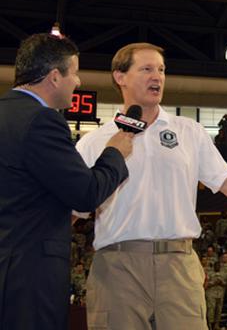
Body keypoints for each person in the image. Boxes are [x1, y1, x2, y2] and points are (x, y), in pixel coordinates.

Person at [75, 43, 227, 330]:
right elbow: (74, 208)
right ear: (120, 77)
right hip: (116, 267)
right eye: (147, 69)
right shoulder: (94, 142)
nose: (158, 77)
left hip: (178, 265)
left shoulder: (188, 131)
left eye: (161, 70)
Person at [0, 33, 132, 330]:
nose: (79, 81)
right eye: (74, 72)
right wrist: (114, 152)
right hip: (28, 275)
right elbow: (86, 193)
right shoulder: (42, 120)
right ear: (55, 77)